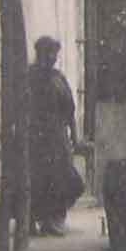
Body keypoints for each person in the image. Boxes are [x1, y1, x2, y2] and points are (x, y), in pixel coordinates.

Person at [28, 36, 82, 237]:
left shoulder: (59, 78)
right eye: (48, 53)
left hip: (58, 137)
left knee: (66, 179)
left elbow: (70, 110)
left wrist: (74, 138)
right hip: (36, 137)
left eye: (54, 54)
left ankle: (54, 220)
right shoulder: (30, 77)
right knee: (38, 180)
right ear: (39, 53)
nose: (52, 58)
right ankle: (33, 220)